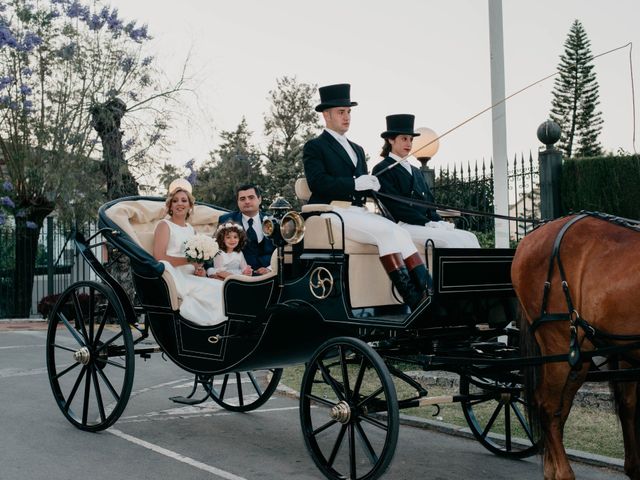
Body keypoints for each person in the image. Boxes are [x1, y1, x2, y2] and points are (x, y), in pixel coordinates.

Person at [303, 83, 428, 309]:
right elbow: (317, 182)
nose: (347, 117)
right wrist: (354, 183)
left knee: (400, 232)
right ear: (326, 115)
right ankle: (413, 299)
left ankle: (427, 294)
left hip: (357, 212)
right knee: (386, 231)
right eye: (341, 112)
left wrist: (371, 185)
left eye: (349, 112)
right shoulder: (315, 146)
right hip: (332, 211)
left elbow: (362, 186)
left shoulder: (358, 149)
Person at [372, 114, 480, 248]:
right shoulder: (382, 169)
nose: (409, 144)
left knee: (469, 237)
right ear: (391, 140)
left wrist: (438, 221)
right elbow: (395, 207)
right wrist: (425, 222)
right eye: (404, 139)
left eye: (411, 139)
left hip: (423, 225)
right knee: (452, 240)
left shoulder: (416, 171)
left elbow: (429, 203)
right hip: (402, 225)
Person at [153, 179, 226, 326]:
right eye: (175, 201)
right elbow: (159, 257)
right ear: (170, 205)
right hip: (174, 274)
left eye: (184, 200)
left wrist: (199, 268)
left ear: (190, 206)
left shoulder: (190, 229)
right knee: (215, 288)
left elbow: (195, 259)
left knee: (220, 286)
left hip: (190, 274)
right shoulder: (164, 225)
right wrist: (189, 262)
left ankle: (219, 328)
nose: (180, 204)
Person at [218, 184, 275, 275]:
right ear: (237, 202)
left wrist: (270, 269)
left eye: (251, 197)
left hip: (269, 274)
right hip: (238, 275)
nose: (247, 201)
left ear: (259, 199)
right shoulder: (226, 220)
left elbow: (280, 250)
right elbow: (218, 249)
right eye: (242, 199)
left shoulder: (272, 221)